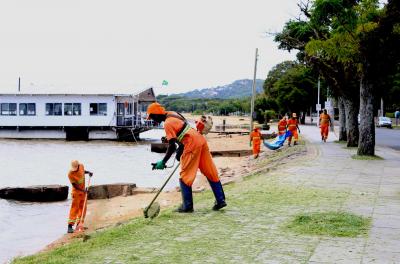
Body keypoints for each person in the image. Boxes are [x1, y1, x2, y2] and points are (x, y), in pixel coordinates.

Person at [147, 102, 226, 212]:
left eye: (151, 117)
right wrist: (173, 141)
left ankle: (187, 206)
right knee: (210, 171)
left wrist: (163, 162)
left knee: (185, 175)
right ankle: (220, 200)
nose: (152, 120)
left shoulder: (167, 123)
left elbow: (172, 146)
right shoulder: (173, 114)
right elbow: (182, 130)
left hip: (191, 144)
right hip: (200, 140)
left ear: (156, 114)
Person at [67, 160, 93, 233]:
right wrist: (83, 190)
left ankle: (79, 224)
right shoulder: (70, 174)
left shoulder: (81, 166)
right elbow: (75, 186)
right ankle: (70, 226)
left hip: (83, 192)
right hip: (76, 193)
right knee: (74, 209)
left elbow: (82, 171)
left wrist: (88, 173)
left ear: (78, 166)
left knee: (83, 208)